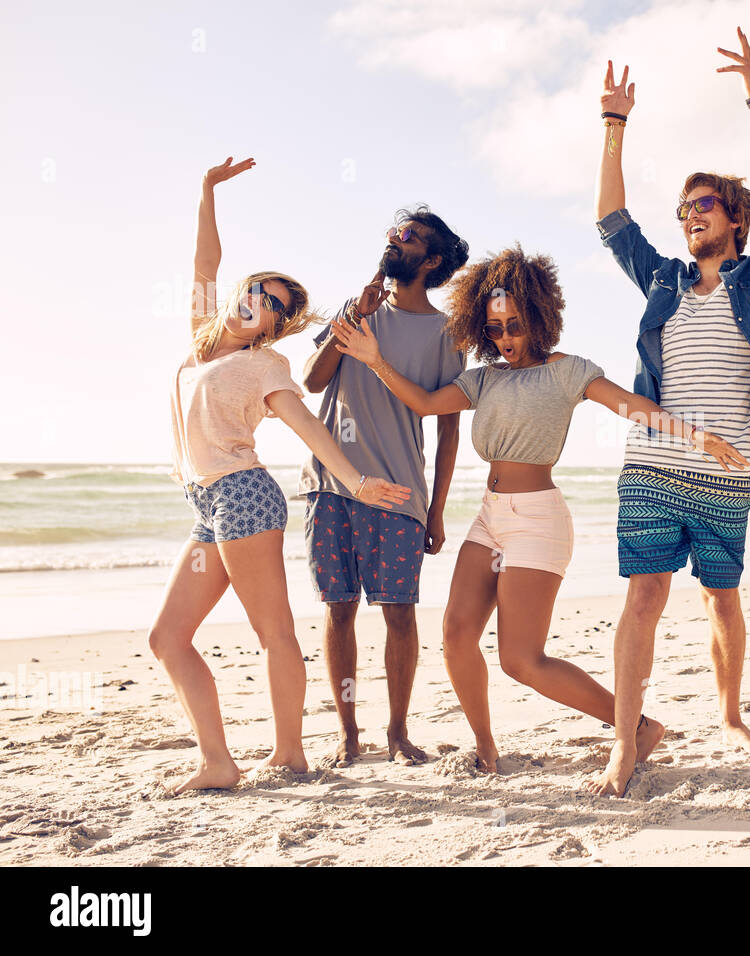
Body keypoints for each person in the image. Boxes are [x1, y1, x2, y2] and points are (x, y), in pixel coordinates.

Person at [329, 246, 748, 773]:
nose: (505, 338)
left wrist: (698, 437)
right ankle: (486, 747)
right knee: (457, 637)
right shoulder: (484, 378)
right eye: (496, 328)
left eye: (515, 325)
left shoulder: (566, 372)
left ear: (540, 317)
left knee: (521, 661)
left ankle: (636, 726)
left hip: (538, 520)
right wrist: (374, 360)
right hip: (490, 516)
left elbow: (632, 406)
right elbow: (425, 403)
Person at [586, 28, 750, 797]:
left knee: (721, 597)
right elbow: (612, 220)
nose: (688, 217)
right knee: (643, 596)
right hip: (652, 463)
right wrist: (614, 126)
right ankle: (623, 744)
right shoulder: (666, 280)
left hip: (725, 472)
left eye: (702, 205)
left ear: (733, 218)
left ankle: (730, 713)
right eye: (682, 208)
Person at [151, 157, 411, 794]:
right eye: (256, 290)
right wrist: (207, 190)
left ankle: (290, 754)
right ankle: (217, 760)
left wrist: (353, 481)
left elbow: (307, 426)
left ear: (277, 324)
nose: (256, 302)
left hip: (244, 497)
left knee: (273, 631)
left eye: (273, 303)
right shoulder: (200, 341)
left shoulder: (265, 364)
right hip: (206, 504)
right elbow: (203, 264)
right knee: (168, 638)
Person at [299, 206, 469, 767]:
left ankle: (397, 732)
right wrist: (352, 316)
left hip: (398, 491)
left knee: (400, 612)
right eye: (397, 233)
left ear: (433, 259)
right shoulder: (360, 309)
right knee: (338, 608)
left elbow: (449, 428)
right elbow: (312, 380)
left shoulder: (448, 334)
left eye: (412, 237)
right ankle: (348, 733)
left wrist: (437, 509)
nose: (398, 241)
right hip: (329, 485)